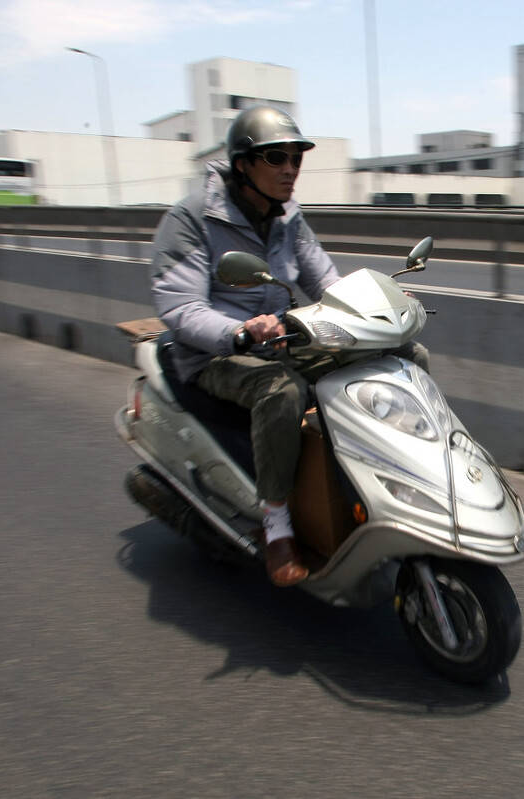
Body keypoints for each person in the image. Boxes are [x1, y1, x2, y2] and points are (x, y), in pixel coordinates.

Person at [150, 106, 427, 586]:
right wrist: (237, 332)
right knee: (282, 392)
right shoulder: (193, 218)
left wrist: (373, 309)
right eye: (275, 158)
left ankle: (411, 477)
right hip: (214, 352)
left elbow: (324, 277)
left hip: (282, 337)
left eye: (296, 159)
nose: (289, 169)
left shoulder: (288, 216)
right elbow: (180, 307)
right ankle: (276, 525)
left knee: (405, 358)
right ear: (243, 165)